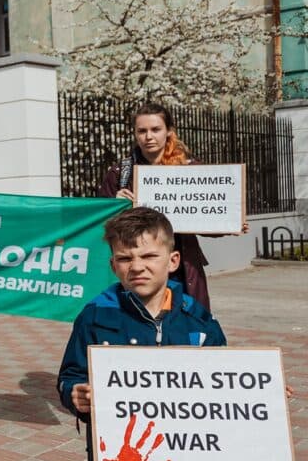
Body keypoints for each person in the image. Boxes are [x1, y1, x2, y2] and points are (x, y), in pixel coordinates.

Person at [56, 207, 226, 461]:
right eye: (125, 258)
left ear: (173, 259)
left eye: (150, 255)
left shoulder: (200, 319)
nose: (137, 266)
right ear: (112, 265)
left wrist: (264, 394)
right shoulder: (95, 314)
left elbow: (224, 381)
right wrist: (75, 395)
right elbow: (70, 375)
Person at [99, 103, 240, 311]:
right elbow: (102, 225)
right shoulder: (120, 174)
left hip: (183, 269)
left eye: (155, 129)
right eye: (142, 131)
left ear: (169, 132)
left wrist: (231, 222)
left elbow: (208, 216)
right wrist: (114, 205)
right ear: (135, 134)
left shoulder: (191, 170)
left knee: (187, 330)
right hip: (139, 269)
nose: (148, 136)